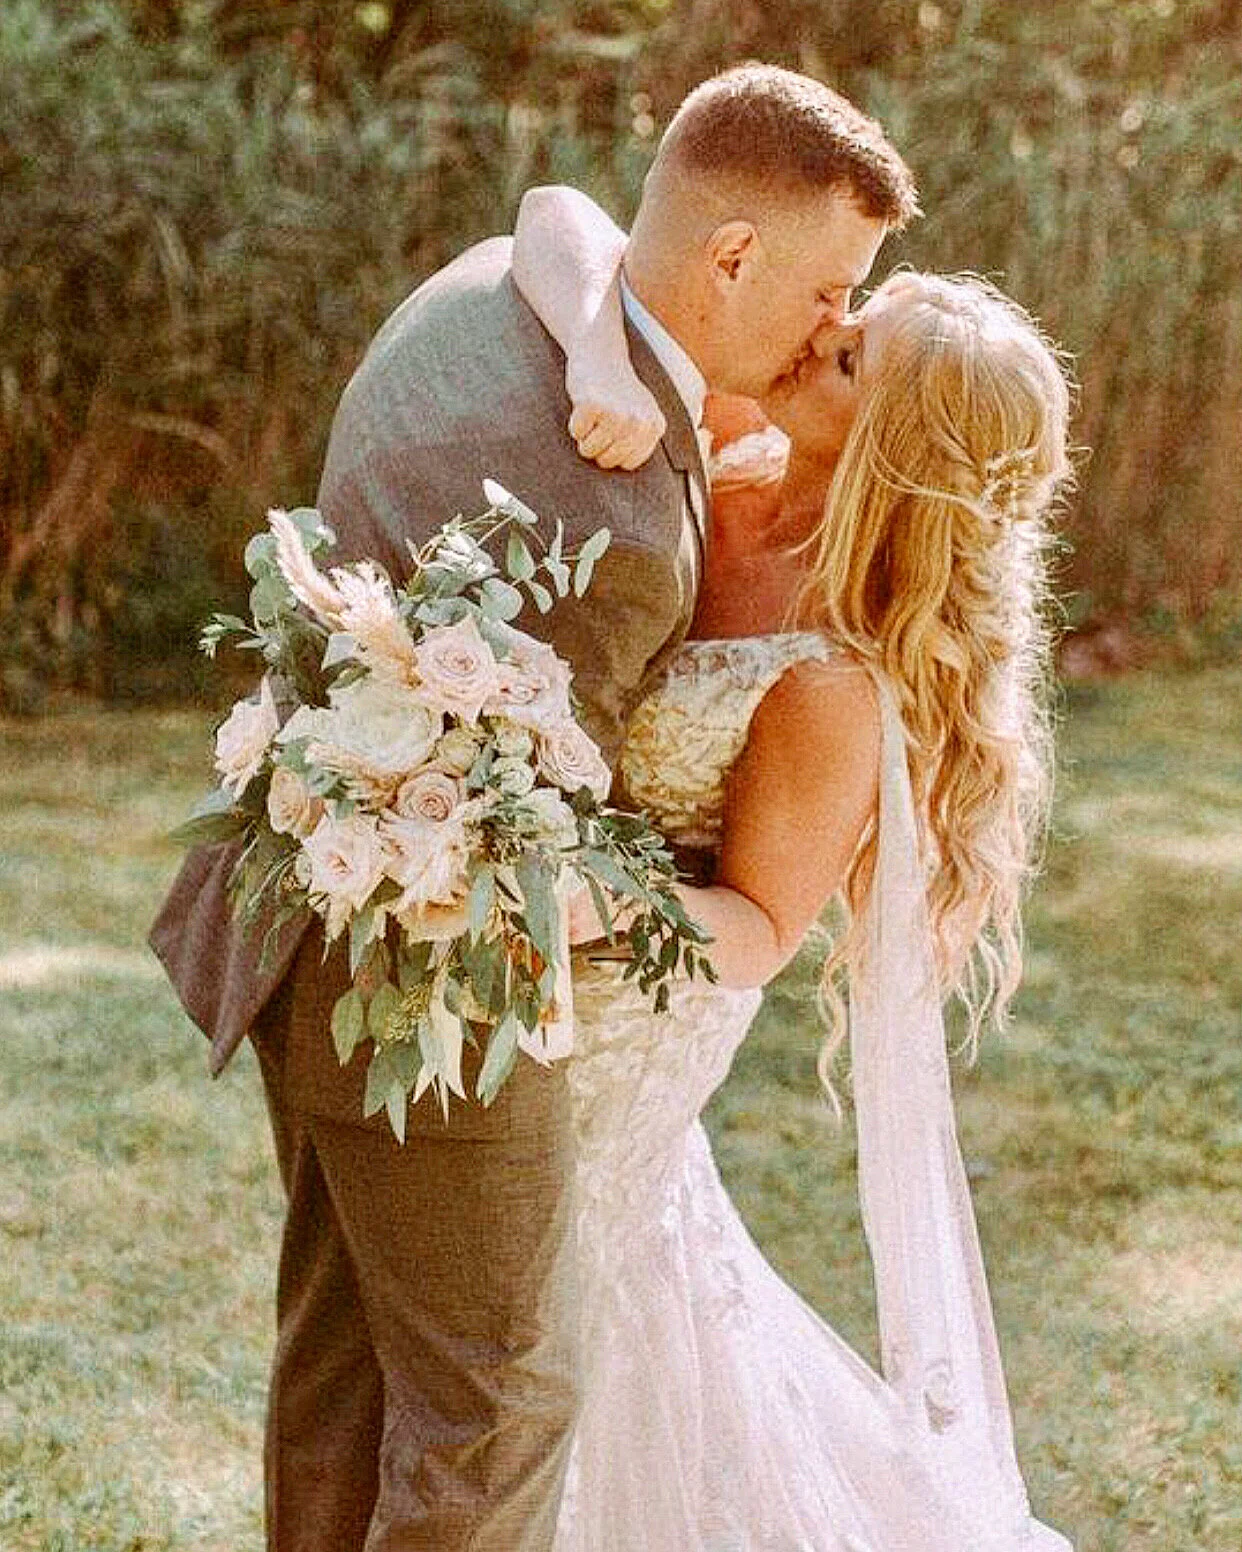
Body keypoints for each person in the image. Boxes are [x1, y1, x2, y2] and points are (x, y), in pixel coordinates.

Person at [147, 65, 918, 1552]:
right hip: (429, 981)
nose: (835, 321)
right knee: (498, 1399)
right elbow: (532, 840)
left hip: (294, 915)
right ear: (732, 255)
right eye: (828, 290)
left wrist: (604, 345)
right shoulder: (605, 521)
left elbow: (554, 218)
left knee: (349, 1372)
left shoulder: (483, 291)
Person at [512, 190, 1076, 1548]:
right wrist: (594, 359)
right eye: (844, 311)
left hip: (634, 1011)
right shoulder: (723, 449)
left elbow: (760, 927)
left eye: (849, 352)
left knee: (586, 1328)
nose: (818, 327)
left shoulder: (834, 679)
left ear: (895, 445)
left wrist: (588, 895)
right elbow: (552, 217)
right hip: (530, 955)